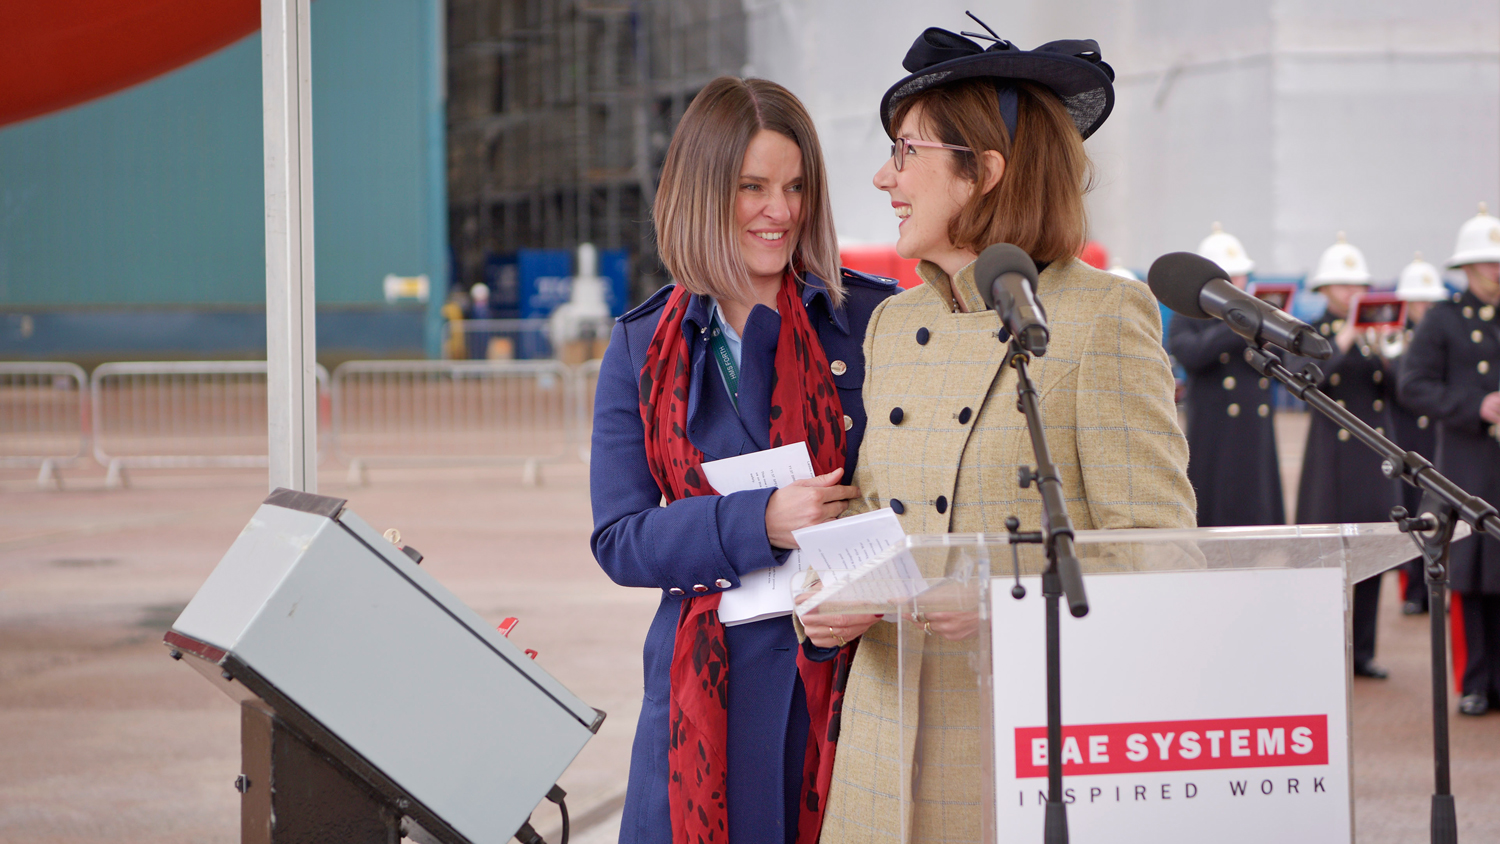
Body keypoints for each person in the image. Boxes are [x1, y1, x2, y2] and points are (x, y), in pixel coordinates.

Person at [796, 22, 1196, 842]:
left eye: (906, 152)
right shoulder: (891, 323)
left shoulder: (1103, 316)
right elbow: (880, 511)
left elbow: (1159, 554)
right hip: (880, 744)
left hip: (1015, 743)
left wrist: (998, 598)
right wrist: (827, 591)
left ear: (984, 171)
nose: (883, 177)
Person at [588, 77, 897, 844]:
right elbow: (620, 538)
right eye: (753, 187)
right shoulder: (639, 345)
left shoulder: (872, 319)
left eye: (795, 187)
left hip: (844, 684)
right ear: (703, 192)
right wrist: (757, 521)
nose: (780, 211)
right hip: (701, 704)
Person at [1399, 203, 1500, 716]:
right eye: (1488, 262)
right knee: (1472, 579)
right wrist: (1475, 406)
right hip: (1469, 467)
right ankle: (1475, 682)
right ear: (1466, 267)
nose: (1496, 271)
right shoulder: (1444, 319)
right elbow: (1413, 385)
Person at [1291, 233, 1400, 679]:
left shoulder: (1378, 333)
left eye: (1358, 285)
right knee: (1331, 560)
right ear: (1324, 289)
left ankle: (1364, 652)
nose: (1353, 291)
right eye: (1343, 284)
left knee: (1372, 553)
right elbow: (1306, 382)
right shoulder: (1310, 332)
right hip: (1332, 462)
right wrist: (1347, 337)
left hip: (1372, 459)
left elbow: (1399, 394)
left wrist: (1391, 353)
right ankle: (1329, 651)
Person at [1167, 223, 1285, 526]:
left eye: (1241, 275)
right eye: (1230, 276)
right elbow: (1189, 353)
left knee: (1257, 502)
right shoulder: (1189, 315)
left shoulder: (1258, 312)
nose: (1238, 282)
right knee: (1216, 504)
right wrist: (1235, 326)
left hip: (1255, 431)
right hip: (1215, 431)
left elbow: (1284, 363)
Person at [1390, 253, 1447, 614]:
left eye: (1429, 301)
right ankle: (1413, 589)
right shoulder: (1395, 337)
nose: (1424, 307)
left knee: (1439, 511)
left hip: (1436, 435)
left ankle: (1438, 586)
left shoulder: (1442, 338)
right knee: (1411, 511)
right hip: (1405, 435)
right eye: (1418, 301)